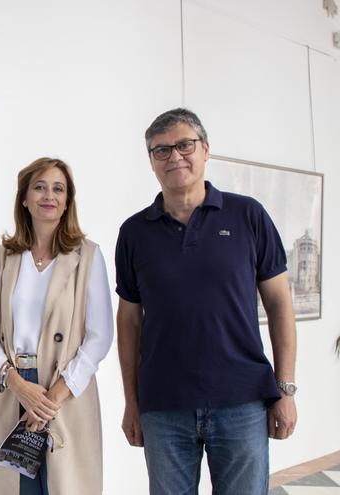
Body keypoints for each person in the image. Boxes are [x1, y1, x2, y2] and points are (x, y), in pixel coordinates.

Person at [115, 108, 298, 494]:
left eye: (184, 145)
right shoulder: (134, 233)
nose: (174, 157)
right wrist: (131, 402)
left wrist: (285, 389)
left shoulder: (248, 215)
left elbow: (280, 304)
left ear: (205, 150)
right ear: (150, 162)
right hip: (163, 406)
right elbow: (129, 323)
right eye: (161, 150)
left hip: (243, 401)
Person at [0, 157, 114, 495]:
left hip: (65, 389)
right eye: (39, 187)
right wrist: (17, 384)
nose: (48, 195)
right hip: (13, 387)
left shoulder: (88, 256)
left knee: (63, 486)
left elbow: (100, 336)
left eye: (58, 188)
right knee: (18, 488)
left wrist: (51, 398)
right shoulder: (4, 256)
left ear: (68, 200)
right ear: (24, 198)